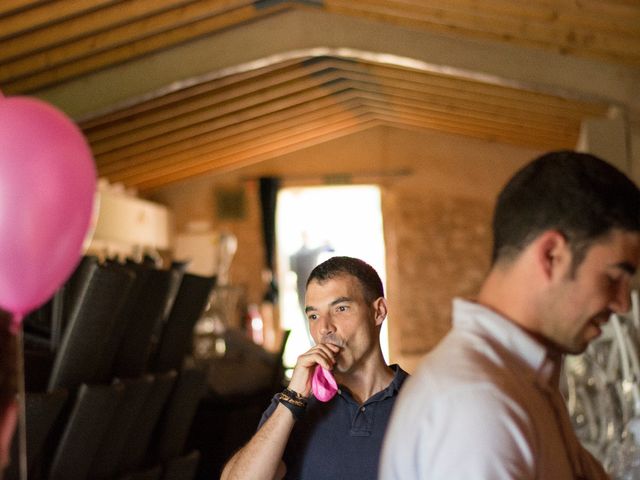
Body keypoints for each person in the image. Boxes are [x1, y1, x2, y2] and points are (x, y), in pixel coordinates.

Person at [380, 150, 640, 479]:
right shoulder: (478, 404)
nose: (623, 304)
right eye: (615, 277)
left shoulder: (523, 377)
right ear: (552, 255)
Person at [222, 256, 408, 480]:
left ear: (378, 311)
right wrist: (293, 399)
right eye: (314, 315)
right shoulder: (295, 403)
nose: (324, 328)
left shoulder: (424, 399)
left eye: (341, 308)